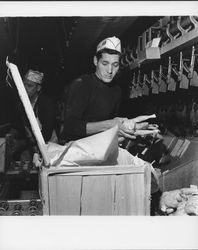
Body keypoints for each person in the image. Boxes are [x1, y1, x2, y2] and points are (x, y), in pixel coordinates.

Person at [61, 36, 150, 143]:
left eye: (115, 65)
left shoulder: (116, 90)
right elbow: (69, 127)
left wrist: (120, 123)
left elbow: (108, 122)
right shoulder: (82, 84)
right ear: (95, 61)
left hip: (100, 147)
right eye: (105, 63)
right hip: (78, 149)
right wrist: (109, 124)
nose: (110, 70)